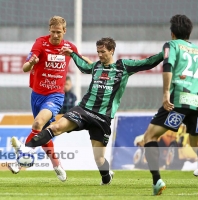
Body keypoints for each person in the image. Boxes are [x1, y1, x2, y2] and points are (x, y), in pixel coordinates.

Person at [12, 37, 163, 185]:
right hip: (83, 110)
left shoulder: (123, 66)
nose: (100, 55)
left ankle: (106, 176)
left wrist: (164, 54)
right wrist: (71, 54)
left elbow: (147, 63)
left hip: (102, 118)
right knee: (56, 127)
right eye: (98, 52)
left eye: (103, 51)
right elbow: (84, 66)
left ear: (112, 51)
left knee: (99, 160)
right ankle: (27, 150)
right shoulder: (96, 66)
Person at [8, 15, 92, 182]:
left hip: (55, 96)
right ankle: (56, 164)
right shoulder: (40, 43)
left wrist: (93, 63)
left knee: (38, 123)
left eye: (58, 32)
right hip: (37, 95)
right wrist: (32, 62)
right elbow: (25, 67)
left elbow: (86, 63)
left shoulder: (69, 47)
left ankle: (22, 158)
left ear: (64, 31)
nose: (55, 35)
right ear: (49, 31)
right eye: (53, 32)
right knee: (43, 131)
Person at [141, 14, 198, 195]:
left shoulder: (171, 45)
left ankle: (157, 180)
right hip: (197, 101)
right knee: (195, 142)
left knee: (150, 137)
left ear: (172, 33)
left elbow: (168, 65)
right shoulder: (197, 50)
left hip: (179, 99)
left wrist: (166, 93)